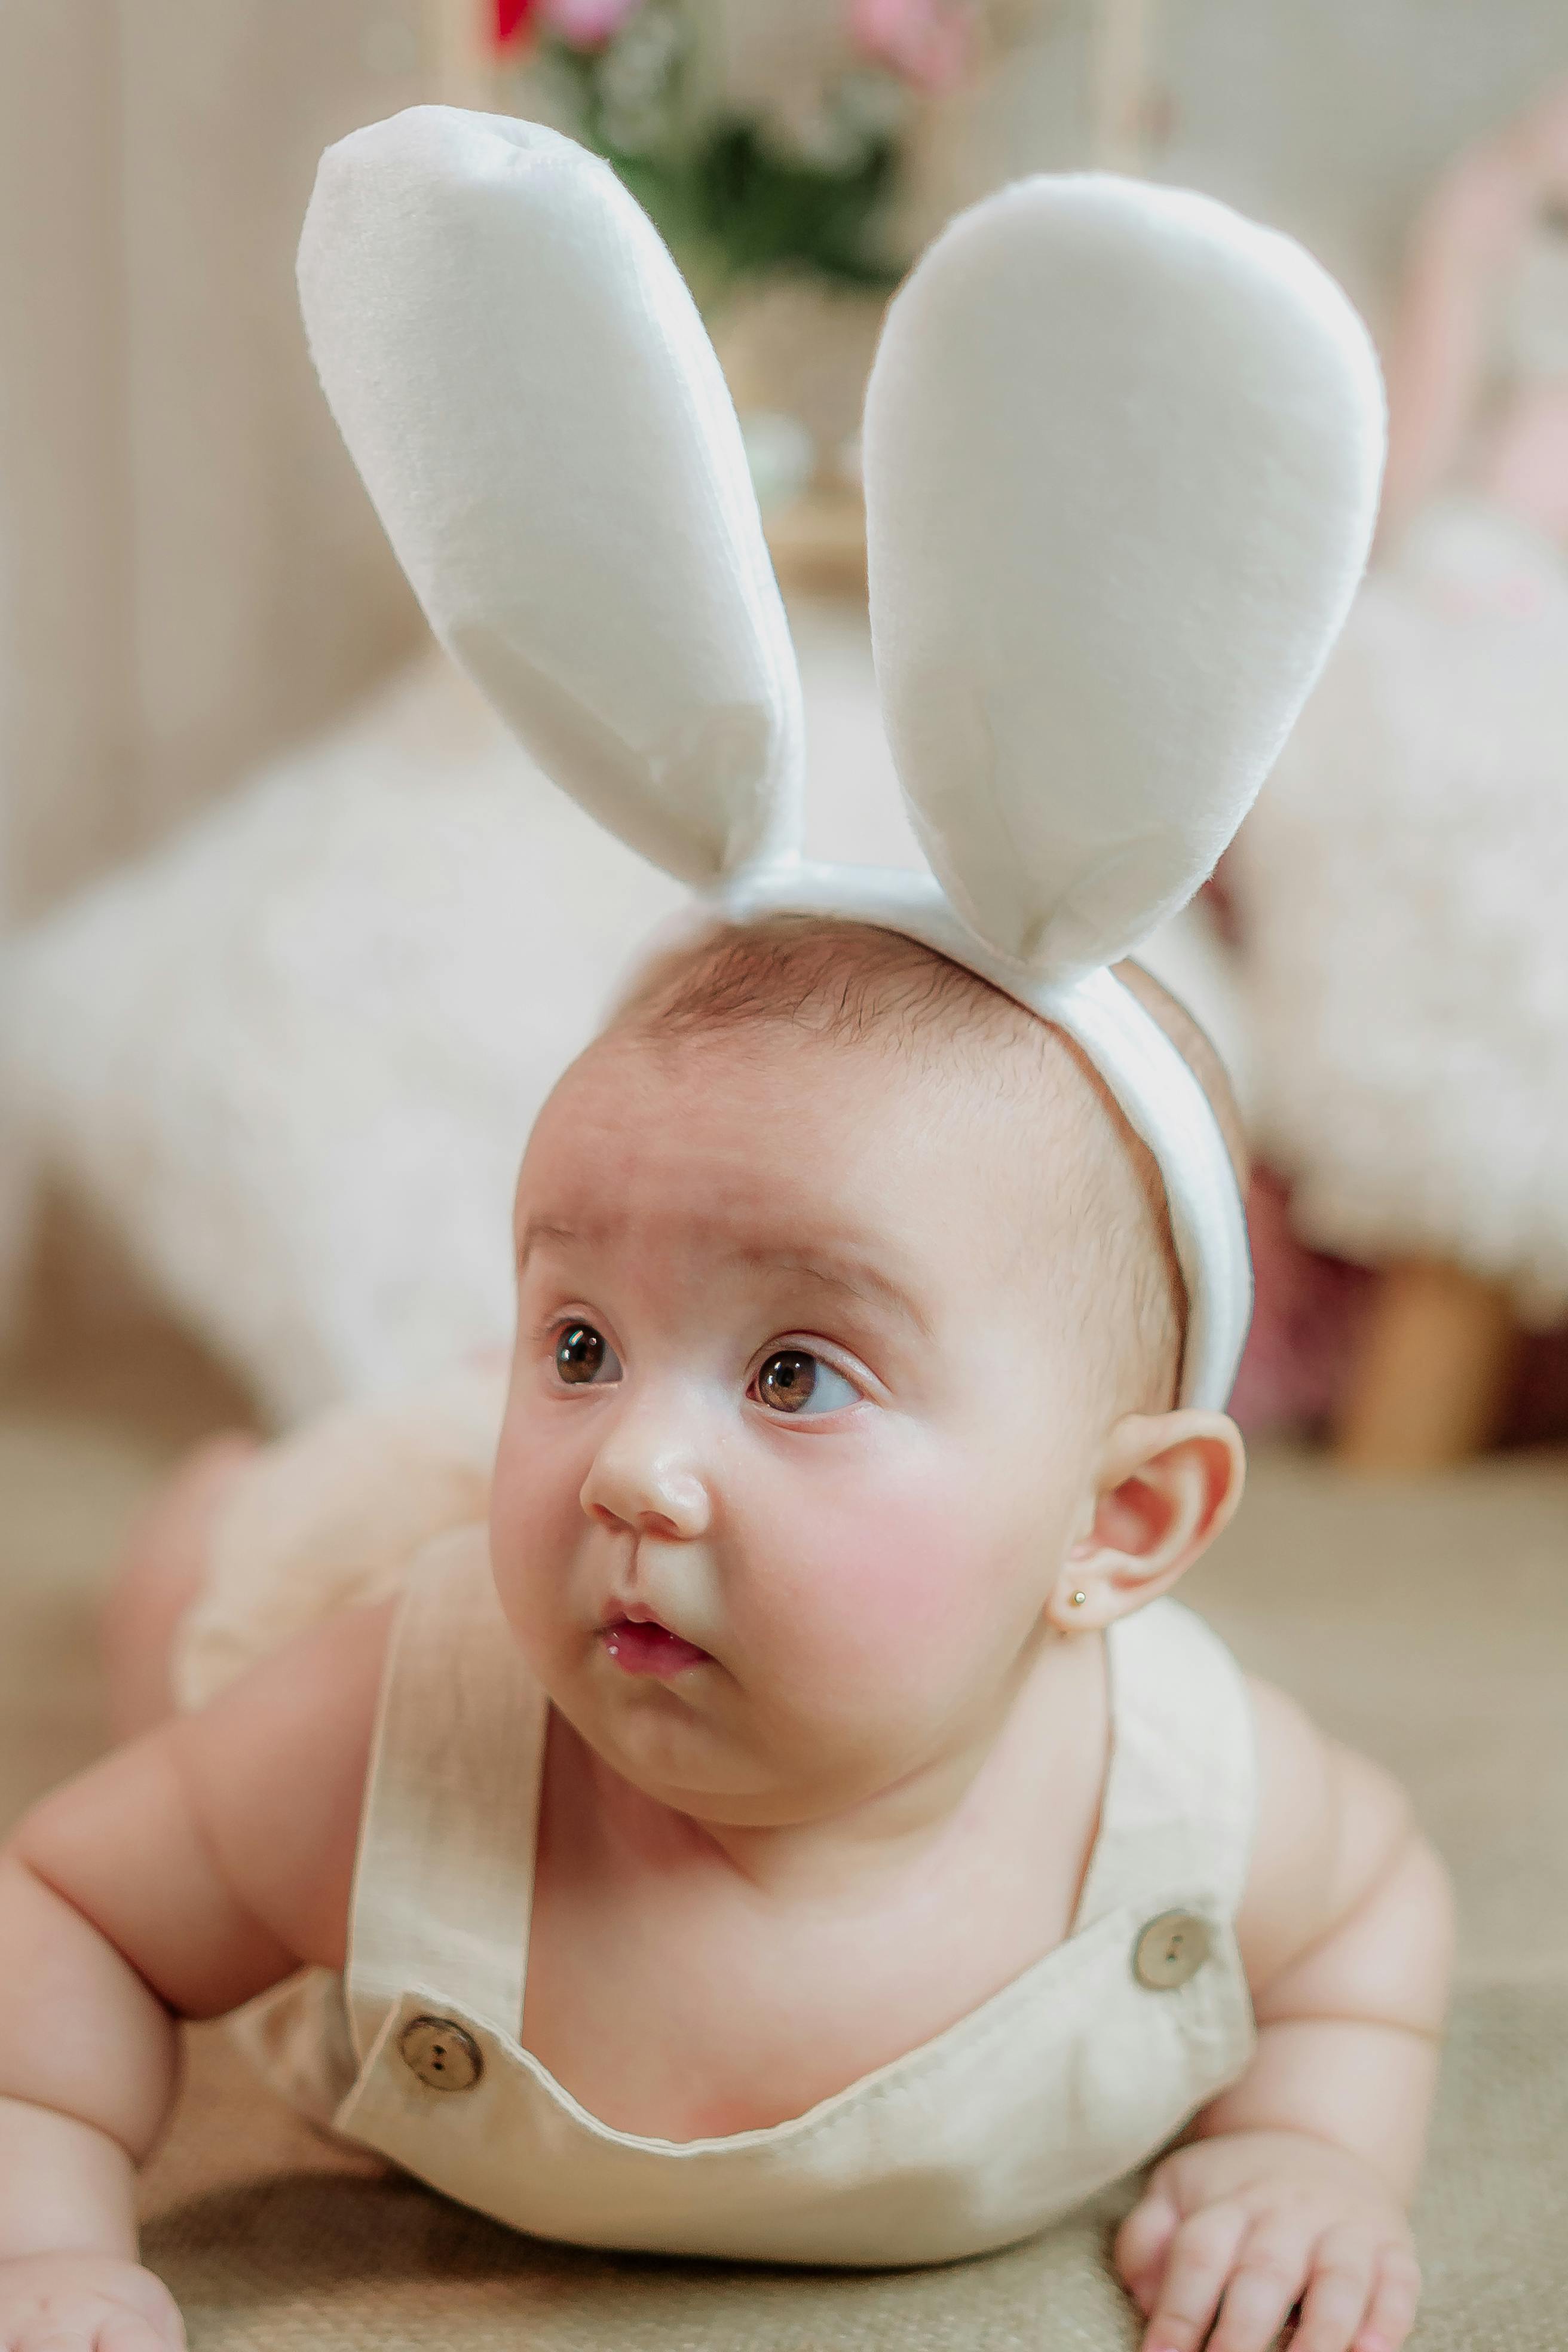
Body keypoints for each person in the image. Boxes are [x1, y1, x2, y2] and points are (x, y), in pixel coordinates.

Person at [0, 109, 1444, 2352]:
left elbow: (1379, 1929)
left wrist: (1310, 2143)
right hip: (362, 1575)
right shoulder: (396, 1721)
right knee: (219, 1597)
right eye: (573, 1342)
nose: (632, 1463)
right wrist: (48, 2233)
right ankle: (214, 1520)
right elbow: (68, 1913)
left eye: (796, 1373)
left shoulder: (1192, 1801)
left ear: (1124, 1525)